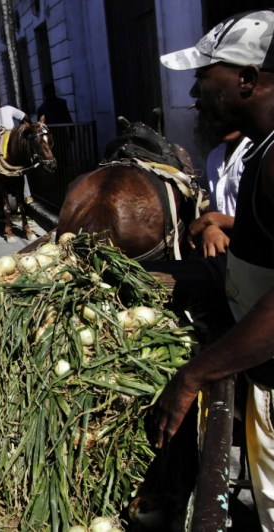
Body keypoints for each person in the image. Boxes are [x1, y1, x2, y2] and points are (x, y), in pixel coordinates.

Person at [152, 9, 274, 529]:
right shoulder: (261, 157)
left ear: (246, 79)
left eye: (205, 77)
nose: (196, 94)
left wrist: (194, 374)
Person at [188, 131, 253, 257]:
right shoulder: (215, 155)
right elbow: (218, 209)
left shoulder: (259, 152)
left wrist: (210, 219)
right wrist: (212, 227)